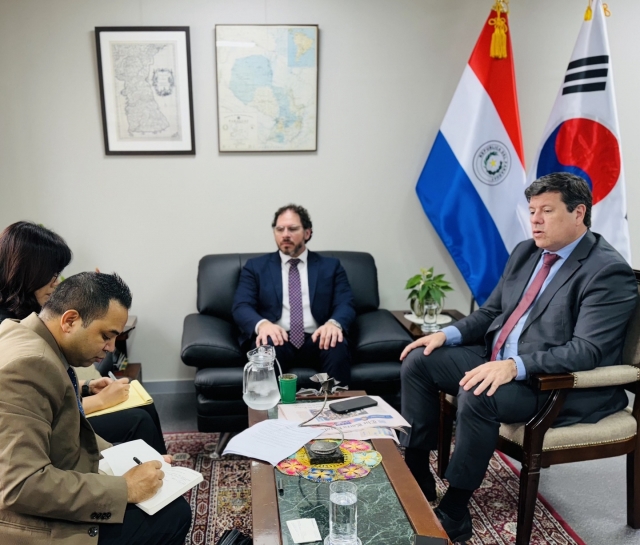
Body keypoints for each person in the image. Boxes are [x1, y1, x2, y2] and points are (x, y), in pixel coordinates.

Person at [399, 172, 638, 543]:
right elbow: (491, 311)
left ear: (579, 213)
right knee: (419, 360)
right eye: (532, 211)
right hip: (497, 359)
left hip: (550, 385)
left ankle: (455, 511)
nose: (536, 220)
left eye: (547, 210)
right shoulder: (527, 252)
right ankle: (417, 470)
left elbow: (587, 350)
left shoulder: (607, 271)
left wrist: (515, 366)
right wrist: (445, 335)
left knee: (477, 394)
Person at [0, 272, 191, 544]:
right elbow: (21, 485)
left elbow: (65, 426)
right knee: (173, 515)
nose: (111, 348)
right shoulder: (29, 366)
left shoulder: (23, 333)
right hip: (26, 525)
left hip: (52, 478)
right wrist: (125, 489)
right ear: (70, 320)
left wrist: (128, 455)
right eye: (106, 335)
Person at [0, 221, 166, 453]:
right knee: (138, 420)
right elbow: (32, 410)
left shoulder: (27, 312)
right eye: (53, 275)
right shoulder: (11, 332)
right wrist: (99, 401)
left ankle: (166, 482)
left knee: (144, 408)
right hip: (51, 431)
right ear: (29, 271)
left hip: (65, 409)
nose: (57, 283)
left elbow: (45, 387)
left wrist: (86, 386)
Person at [232, 204, 356, 385]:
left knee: (335, 342)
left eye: (292, 229)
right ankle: (269, 412)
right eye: (279, 229)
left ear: (307, 233)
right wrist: (263, 324)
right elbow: (241, 305)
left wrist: (333, 323)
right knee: (265, 348)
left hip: (317, 337)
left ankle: (336, 409)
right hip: (277, 338)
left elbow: (346, 303)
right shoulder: (255, 267)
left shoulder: (331, 267)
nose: (285, 234)